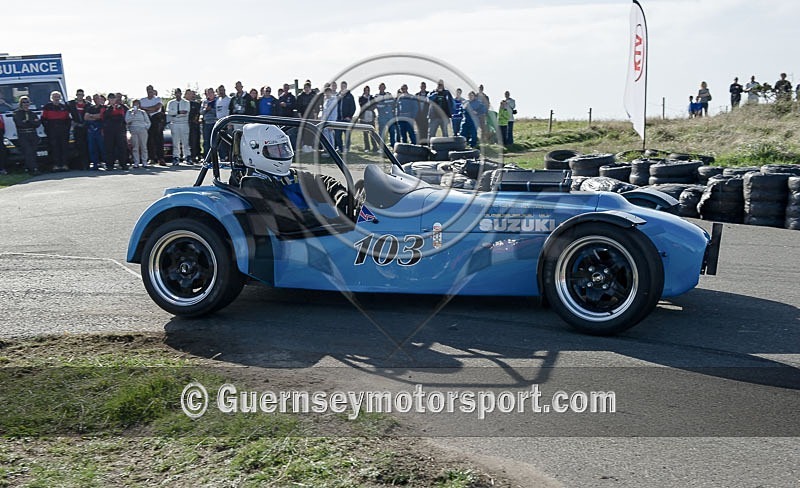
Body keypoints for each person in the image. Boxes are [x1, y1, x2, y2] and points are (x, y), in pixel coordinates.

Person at [238, 123, 349, 223]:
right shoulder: (253, 184)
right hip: (289, 239)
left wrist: (340, 194)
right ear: (255, 152)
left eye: (283, 148)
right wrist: (329, 221)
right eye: (275, 149)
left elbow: (322, 181)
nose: (282, 153)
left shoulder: (289, 175)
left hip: (311, 232)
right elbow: (284, 218)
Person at [41, 91, 72, 171]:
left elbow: (68, 119)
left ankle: (65, 164)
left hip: (63, 130)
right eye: (55, 97)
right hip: (52, 130)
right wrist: (48, 129)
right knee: (54, 148)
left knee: (64, 148)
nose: (56, 98)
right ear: (51, 98)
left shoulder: (64, 107)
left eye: (58, 96)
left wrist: (66, 129)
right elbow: (43, 119)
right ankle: (56, 165)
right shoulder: (47, 107)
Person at [13, 96, 41, 174]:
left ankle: (30, 168)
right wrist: (31, 122)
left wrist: (27, 121)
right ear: (20, 103)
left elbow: (37, 124)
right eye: (24, 102)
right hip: (23, 134)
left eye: (27, 102)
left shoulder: (32, 113)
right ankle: (33, 169)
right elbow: (19, 124)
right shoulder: (16, 113)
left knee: (33, 151)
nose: (26, 104)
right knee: (28, 152)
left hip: (33, 134)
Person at [102, 92, 128, 169]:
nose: (112, 100)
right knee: (109, 148)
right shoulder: (104, 107)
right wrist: (111, 111)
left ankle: (123, 164)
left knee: (121, 147)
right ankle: (109, 165)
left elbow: (121, 117)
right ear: (108, 99)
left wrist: (111, 116)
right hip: (108, 130)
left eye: (113, 98)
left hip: (119, 130)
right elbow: (104, 116)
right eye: (110, 98)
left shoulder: (120, 107)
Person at [140, 85, 165, 165]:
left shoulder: (157, 99)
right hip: (147, 119)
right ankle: (151, 158)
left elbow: (157, 108)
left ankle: (160, 158)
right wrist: (150, 109)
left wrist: (146, 109)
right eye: (148, 90)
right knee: (149, 140)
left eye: (151, 90)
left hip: (156, 119)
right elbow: (141, 109)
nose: (149, 91)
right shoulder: (143, 100)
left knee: (159, 139)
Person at [167, 88, 191, 165]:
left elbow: (186, 112)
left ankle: (187, 156)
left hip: (184, 123)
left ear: (181, 93)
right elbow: (169, 112)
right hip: (175, 123)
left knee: (185, 142)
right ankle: (176, 157)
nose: (177, 94)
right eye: (176, 93)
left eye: (179, 93)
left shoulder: (186, 102)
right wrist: (178, 112)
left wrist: (175, 114)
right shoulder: (171, 103)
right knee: (175, 142)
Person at [67, 89, 89, 169]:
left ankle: (86, 164)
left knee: (86, 146)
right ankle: (79, 165)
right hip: (76, 128)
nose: (80, 96)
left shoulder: (87, 104)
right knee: (78, 146)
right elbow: (67, 115)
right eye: (79, 94)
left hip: (85, 127)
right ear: (76, 95)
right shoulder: (71, 104)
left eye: (81, 95)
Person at [125, 99, 151, 168]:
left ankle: (144, 162)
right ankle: (136, 162)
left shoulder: (143, 112)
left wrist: (145, 127)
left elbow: (148, 121)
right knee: (135, 147)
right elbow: (127, 121)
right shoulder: (129, 112)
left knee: (143, 146)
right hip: (133, 129)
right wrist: (133, 114)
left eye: (137, 104)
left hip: (142, 129)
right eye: (134, 104)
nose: (136, 105)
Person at [84, 94, 105, 170]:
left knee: (102, 147)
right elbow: (86, 117)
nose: (96, 100)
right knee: (92, 147)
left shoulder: (103, 107)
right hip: (91, 130)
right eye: (95, 98)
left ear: (100, 99)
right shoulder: (90, 108)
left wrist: (91, 116)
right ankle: (95, 164)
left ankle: (105, 162)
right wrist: (95, 116)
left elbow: (101, 116)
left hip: (100, 129)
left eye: (97, 98)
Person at [335, 81, 356, 152]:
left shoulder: (350, 96)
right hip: (338, 119)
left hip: (346, 119)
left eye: (344, 86)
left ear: (346, 87)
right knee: (338, 135)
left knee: (347, 134)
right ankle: (340, 149)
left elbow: (353, 107)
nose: (343, 87)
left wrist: (349, 116)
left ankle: (347, 148)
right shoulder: (337, 95)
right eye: (341, 86)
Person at [358, 85, 377, 152]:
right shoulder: (361, 98)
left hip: (371, 117)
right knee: (365, 134)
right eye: (366, 90)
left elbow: (374, 105)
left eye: (368, 90)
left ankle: (375, 148)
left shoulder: (372, 97)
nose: (367, 91)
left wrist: (369, 107)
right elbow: (362, 106)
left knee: (373, 134)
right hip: (364, 117)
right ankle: (367, 148)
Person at [200, 88, 217, 159]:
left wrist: (211, 109)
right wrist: (206, 110)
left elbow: (218, 111)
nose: (210, 94)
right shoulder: (204, 101)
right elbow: (201, 112)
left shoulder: (217, 101)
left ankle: (215, 157)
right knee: (206, 141)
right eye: (208, 93)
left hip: (214, 122)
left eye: (211, 92)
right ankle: (206, 157)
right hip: (206, 123)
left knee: (215, 141)